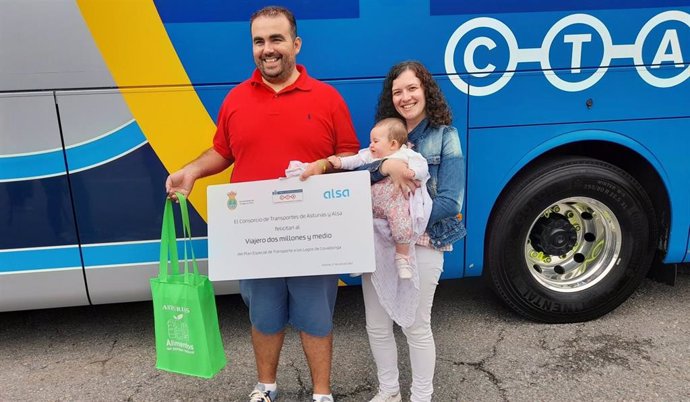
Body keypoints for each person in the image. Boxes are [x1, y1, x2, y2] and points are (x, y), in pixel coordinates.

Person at [165, 6, 360, 402]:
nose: (267, 49)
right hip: (255, 237)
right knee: (264, 317)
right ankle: (266, 386)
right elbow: (223, 151)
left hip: (311, 235)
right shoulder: (236, 100)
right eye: (259, 41)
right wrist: (191, 171)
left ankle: (322, 394)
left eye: (276, 39)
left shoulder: (328, 98)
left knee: (316, 318)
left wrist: (325, 175)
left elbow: (350, 158)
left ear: (296, 44)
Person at [362, 61, 466, 402]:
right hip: (377, 243)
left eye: (412, 88)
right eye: (397, 92)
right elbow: (357, 179)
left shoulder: (444, 135)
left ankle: (422, 395)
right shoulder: (383, 138)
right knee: (377, 326)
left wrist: (402, 229)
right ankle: (389, 390)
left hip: (423, 240)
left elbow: (451, 201)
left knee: (415, 326)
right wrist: (385, 165)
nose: (405, 97)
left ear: (426, 91)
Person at [327, 117, 430, 279]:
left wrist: (413, 173)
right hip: (369, 203)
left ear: (393, 144)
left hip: (395, 203)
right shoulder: (369, 155)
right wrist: (339, 162)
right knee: (357, 226)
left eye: (375, 141)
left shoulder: (406, 154)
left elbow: (422, 166)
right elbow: (355, 160)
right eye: (371, 141)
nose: (370, 145)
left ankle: (402, 258)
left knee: (402, 224)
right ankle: (360, 258)